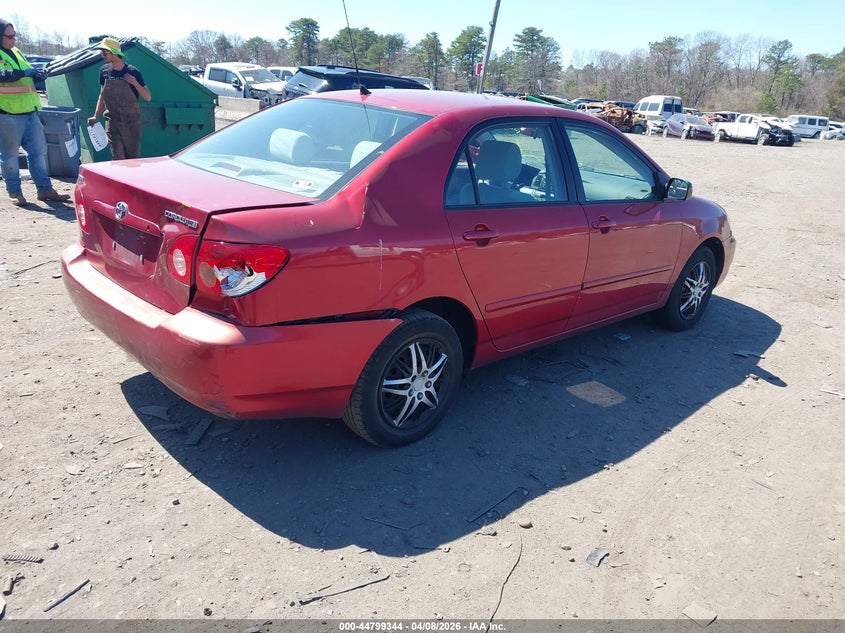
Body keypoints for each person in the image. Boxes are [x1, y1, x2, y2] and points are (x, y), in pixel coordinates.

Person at [0, 18, 71, 206]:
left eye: (15, 35)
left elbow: (26, 76)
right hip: (8, 114)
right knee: (9, 156)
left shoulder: (16, 52)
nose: (14, 39)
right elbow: (4, 75)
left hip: (30, 112)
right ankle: (15, 192)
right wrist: (27, 73)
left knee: (38, 152)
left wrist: (38, 74)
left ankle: (45, 189)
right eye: (9, 36)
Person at [86, 37, 151, 160]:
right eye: (101, 52)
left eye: (105, 53)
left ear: (114, 53)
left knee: (132, 160)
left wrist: (134, 83)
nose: (102, 55)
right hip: (113, 122)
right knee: (118, 159)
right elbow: (102, 95)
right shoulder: (104, 71)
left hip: (131, 123)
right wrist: (96, 116)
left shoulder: (133, 72)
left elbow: (148, 97)